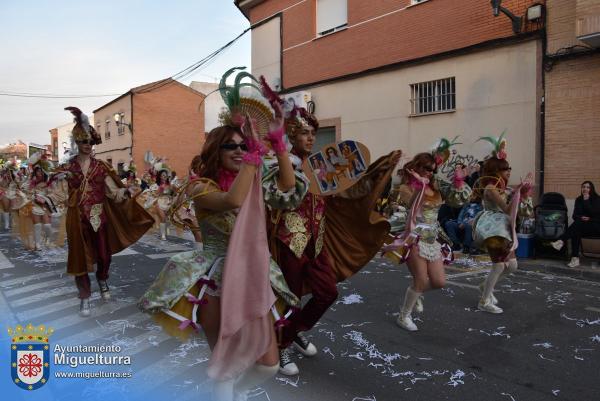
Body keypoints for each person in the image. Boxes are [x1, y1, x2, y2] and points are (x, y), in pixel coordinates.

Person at [139, 68, 309, 401]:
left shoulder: (254, 178)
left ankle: (239, 394)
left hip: (254, 274)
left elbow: (288, 187)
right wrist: (254, 156)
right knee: (224, 363)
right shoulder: (201, 187)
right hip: (215, 280)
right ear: (215, 151)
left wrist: (277, 143)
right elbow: (231, 200)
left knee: (269, 365)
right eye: (229, 146)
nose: (237, 150)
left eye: (242, 144)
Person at [263, 82, 402, 374]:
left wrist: (377, 172)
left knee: (327, 293)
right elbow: (276, 196)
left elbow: (345, 192)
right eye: (305, 133)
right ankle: (280, 345)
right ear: (291, 134)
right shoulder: (281, 164)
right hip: (289, 240)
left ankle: (291, 333)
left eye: (314, 133)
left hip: (317, 241)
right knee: (287, 296)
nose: (311, 138)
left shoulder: (321, 168)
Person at [49, 107, 154, 317]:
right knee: (79, 258)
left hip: (98, 216)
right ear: (76, 144)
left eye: (90, 142)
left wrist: (129, 191)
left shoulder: (101, 167)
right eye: (83, 142)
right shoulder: (67, 168)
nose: (87, 145)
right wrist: (57, 184)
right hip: (76, 218)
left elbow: (113, 191)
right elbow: (56, 193)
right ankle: (85, 297)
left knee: (104, 256)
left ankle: (103, 278)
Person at [385, 137, 471, 332]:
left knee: (439, 282)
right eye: (426, 168)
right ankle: (404, 315)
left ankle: (417, 292)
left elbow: (458, 202)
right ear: (417, 167)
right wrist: (421, 186)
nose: (430, 172)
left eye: (433, 169)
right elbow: (411, 206)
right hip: (414, 236)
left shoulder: (437, 186)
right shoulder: (405, 188)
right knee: (421, 279)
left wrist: (458, 181)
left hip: (433, 237)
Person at [472, 133, 533, 314]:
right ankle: (484, 301)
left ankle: (485, 286)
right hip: (493, 228)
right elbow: (507, 209)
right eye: (505, 169)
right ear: (496, 171)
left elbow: (518, 210)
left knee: (512, 266)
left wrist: (523, 194)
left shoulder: (502, 187)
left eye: (509, 168)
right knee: (499, 265)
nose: (509, 171)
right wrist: (519, 193)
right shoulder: (491, 188)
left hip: (504, 227)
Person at [551, 181, 600, 267]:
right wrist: (581, 217)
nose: (585, 189)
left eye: (588, 187)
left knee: (577, 226)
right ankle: (575, 259)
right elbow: (575, 215)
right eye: (583, 187)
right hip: (582, 226)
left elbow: (595, 214)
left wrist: (587, 202)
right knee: (576, 230)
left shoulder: (597, 199)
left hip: (595, 226)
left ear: (591, 189)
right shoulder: (578, 199)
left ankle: (561, 241)